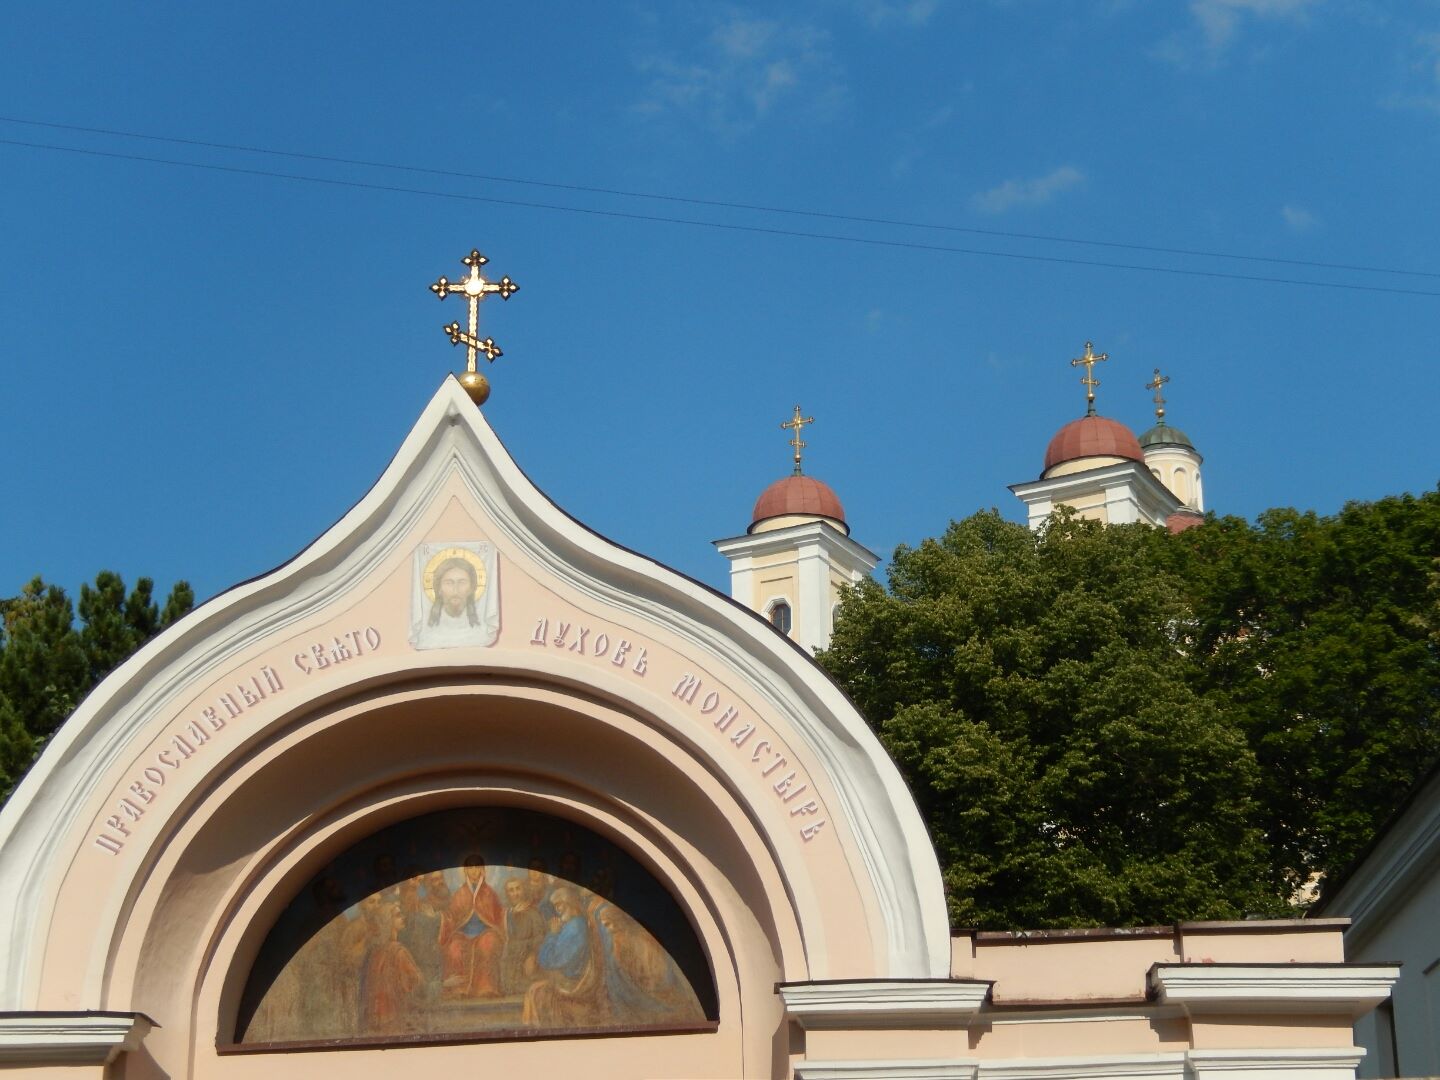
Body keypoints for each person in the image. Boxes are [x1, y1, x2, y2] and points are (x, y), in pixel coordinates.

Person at [521, 886, 605, 1027]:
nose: (558, 909)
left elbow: (550, 961)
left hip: (571, 983)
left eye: (560, 904)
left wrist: (552, 934)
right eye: (556, 906)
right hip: (566, 977)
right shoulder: (571, 925)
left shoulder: (575, 927)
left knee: (534, 992)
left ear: (570, 903)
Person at [441, 854, 505, 997]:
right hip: (463, 934)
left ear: (482, 869)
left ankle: (486, 988)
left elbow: (499, 915)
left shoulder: (490, 893)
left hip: (485, 932)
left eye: (477, 867)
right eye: (470, 868)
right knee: (454, 948)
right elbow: (451, 917)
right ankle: (459, 989)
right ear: (465, 871)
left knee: (487, 945)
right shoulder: (459, 894)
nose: (474, 871)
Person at [361, 903, 423, 1035]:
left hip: (377, 1016)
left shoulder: (375, 952)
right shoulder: (398, 952)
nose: (403, 917)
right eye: (398, 915)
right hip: (394, 1014)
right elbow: (415, 981)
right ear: (387, 921)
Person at [501, 877, 547, 994]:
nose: (515, 893)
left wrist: (532, 956)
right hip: (510, 959)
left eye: (518, 889)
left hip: (527, 957)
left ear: (523, 890)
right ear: (507, 894)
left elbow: (540, 937)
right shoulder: (506, 913)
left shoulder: (533, 912)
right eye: (511, 890)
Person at [427, 558, 480, 630]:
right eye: (449, 583)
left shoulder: (479, 627)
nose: (455, 590)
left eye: (462, 583)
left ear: (471, 588)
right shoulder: (431, 628)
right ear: (439, 588)